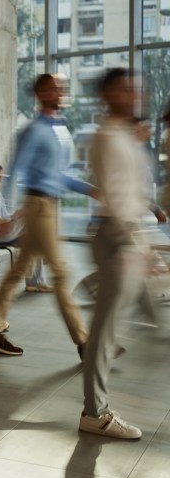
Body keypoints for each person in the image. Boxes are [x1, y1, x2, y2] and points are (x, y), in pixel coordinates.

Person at [0, 73, 95, 356]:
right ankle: (85, 341)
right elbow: (14, 170)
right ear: (41, 93)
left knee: (19, 270)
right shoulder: (33, 129)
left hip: (50, 206)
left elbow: (62, 176)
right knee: (60, 271)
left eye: (62, 86)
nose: (61, 90)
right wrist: (6, 216)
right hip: (38, 205)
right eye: (54, 87)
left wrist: (92, 190)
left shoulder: (58, 129)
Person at [80, 68, 153, 439]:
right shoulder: (107, 137)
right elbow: (115, 191)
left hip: (124, 236)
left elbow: (134, 186)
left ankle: (92, 286)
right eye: (127, 89)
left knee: (113, 326)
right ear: (109, 95)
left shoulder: (125, 136)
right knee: (105, 333)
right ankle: (95, 413)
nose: (135, 93)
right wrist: (130, 241)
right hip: (115, 236)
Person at [0, 160, 51, 292]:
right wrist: (13, 218)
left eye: (2, 177)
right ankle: (48, 253)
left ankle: (34, 282)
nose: (0, 180)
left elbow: (3, 215)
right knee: (31, 221)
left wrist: (13, 216)